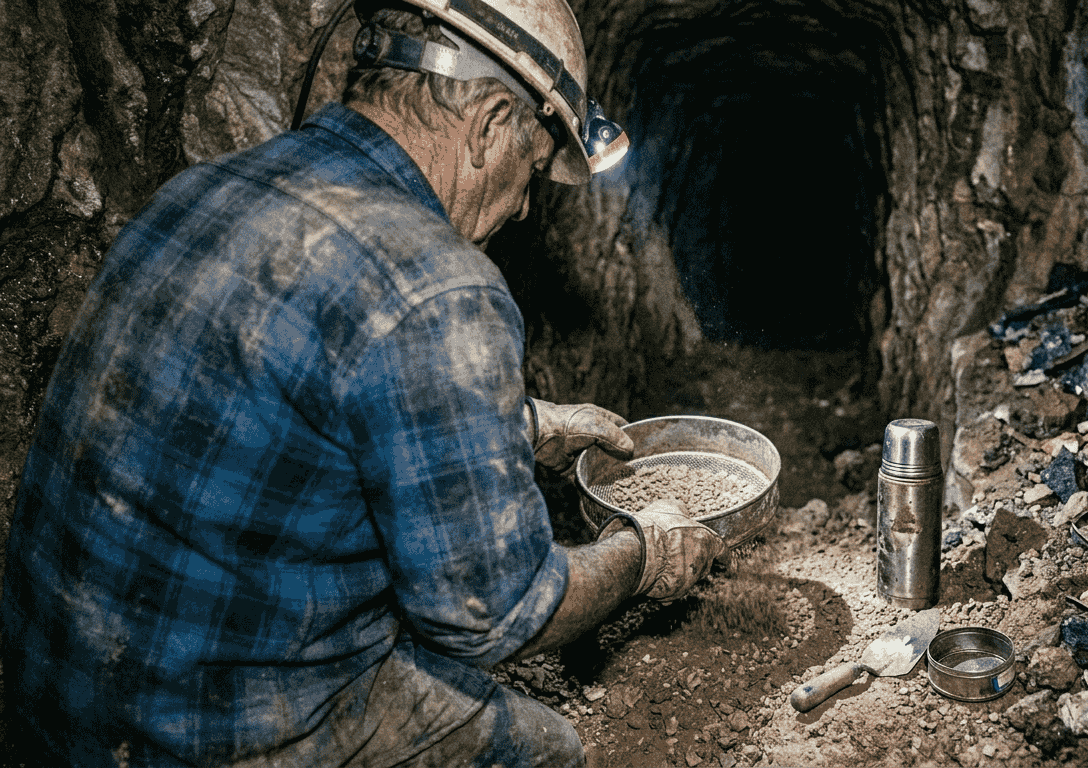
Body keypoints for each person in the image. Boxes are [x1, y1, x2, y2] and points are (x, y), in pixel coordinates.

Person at [0, 0, 725, 765]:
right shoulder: (438, 283)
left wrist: (534, 425)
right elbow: (499, 615)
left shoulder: (196, 195)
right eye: (533, 170)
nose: (521, 208)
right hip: (206, 736)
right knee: (544, 749)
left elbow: (290, 403)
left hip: (52, 699)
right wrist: (642, 552)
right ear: (488, 124)